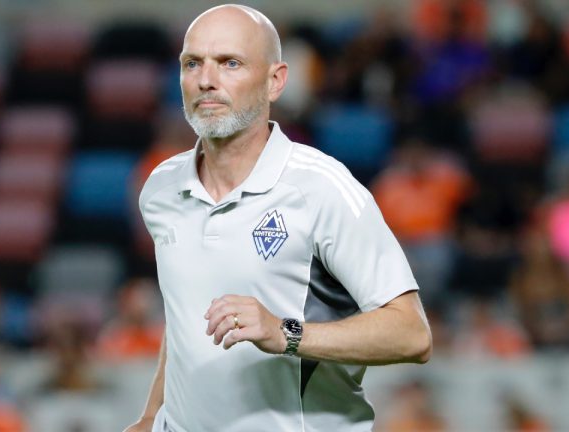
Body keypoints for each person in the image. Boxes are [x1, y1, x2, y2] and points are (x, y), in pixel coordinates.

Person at [130, 5, 431, 432]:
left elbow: (412, 335)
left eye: (230, 63)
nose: (206, 80)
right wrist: (149, 415)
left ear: (276, 81)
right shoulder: (161, 189)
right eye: (192, 63)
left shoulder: (322, 190)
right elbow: (185, 316)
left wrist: (284, 333)